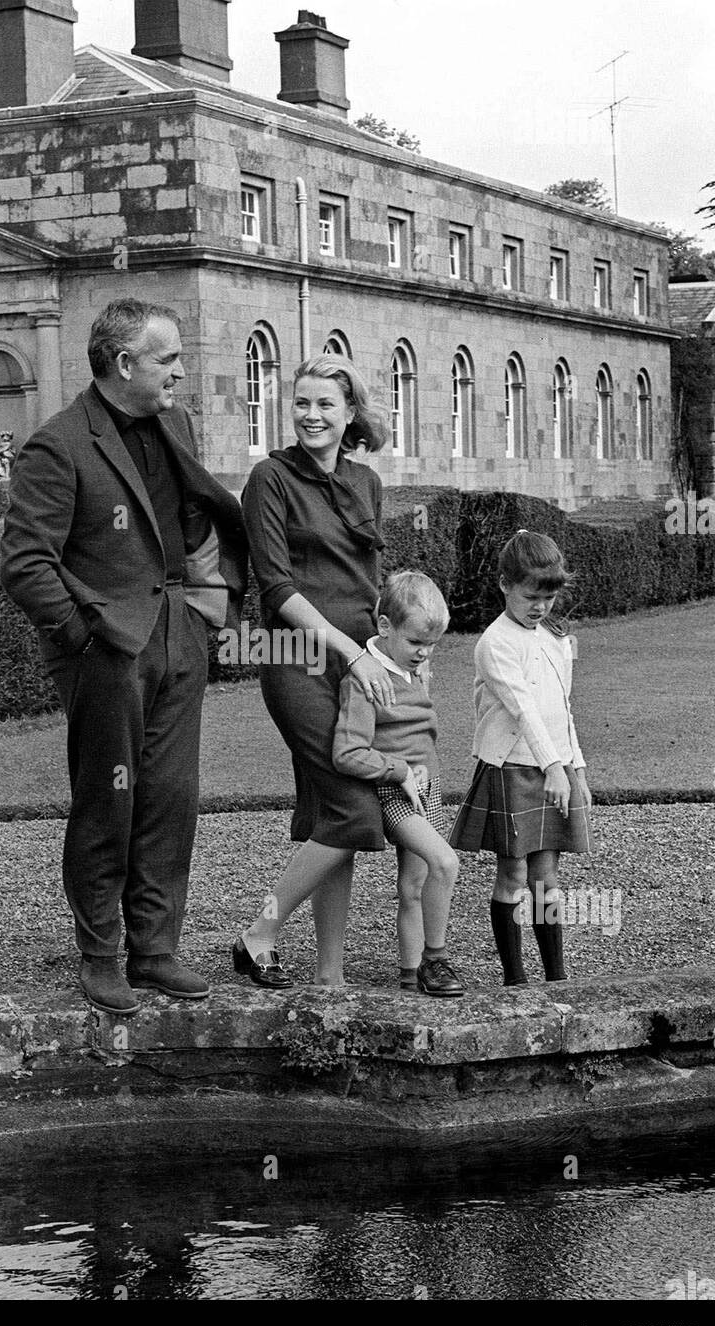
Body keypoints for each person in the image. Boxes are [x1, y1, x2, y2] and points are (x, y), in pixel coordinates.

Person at [0, 298, 247, 1016]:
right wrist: (87, 637)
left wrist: (208, 606)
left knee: (172, 797)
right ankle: (100, 955)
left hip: (180, 632)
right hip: (109, 651)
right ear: (124, 364)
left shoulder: (177, 423)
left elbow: (196, 517)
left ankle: (156, 950)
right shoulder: (57, 445)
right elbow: (25, 564)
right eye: (167, 358)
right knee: (109, 800)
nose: (179, 370)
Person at [235, 355, 395, 990]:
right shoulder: (269, 479)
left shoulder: (366, 483)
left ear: (350, 411)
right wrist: (348, 650)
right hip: (298, 661)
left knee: (333, 818)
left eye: (325, 404)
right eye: (301, 402)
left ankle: (330, 979)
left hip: (361, 664)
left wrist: (389, 649)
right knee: (356, 810)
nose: (311, 415)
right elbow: (275, 588)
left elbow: (372, 583)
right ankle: (259, 934)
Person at [448, 529, 593, 986]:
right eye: (532, 596)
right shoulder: (495, 643)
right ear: (505, 584)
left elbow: (562, 708)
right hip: (512, 767)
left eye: (549, 598)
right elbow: (522, 708)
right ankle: (514, 980)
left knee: (547, 874)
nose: (541, 607)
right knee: (513, 871)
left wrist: (576, 767)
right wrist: (553, 767)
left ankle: (556, 977)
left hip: (555, 768)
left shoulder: (554, 638)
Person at [331, 571, 463, 997]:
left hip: (428, 788)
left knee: (414, 887)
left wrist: (422, 772)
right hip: (394, 793)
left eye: (431, 646)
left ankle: (410, 982)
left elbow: (419, 732)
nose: (424, 654)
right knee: (445, 862)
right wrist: (398, 769)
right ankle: (436, 959)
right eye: (415, 644)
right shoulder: (365, 680)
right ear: (384, 627)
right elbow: (348, 753)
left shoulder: (413, 671)